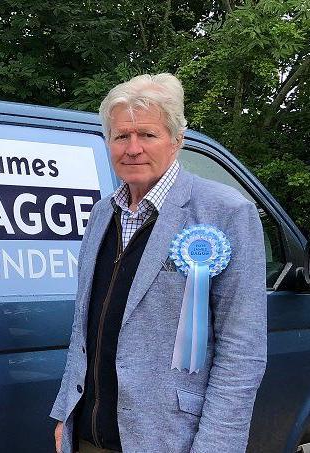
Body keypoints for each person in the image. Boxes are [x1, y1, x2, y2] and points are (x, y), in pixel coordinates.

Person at [50, 74, 266, 452]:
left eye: (147, 135)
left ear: (176, 141)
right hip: (88, 436)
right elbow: (84, 326)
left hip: (171, 440)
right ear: (109, 143)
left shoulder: (226, 212)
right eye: (121, 136)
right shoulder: (102, 213)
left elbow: (242, 351)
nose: (132, 148)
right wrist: (65, 412)